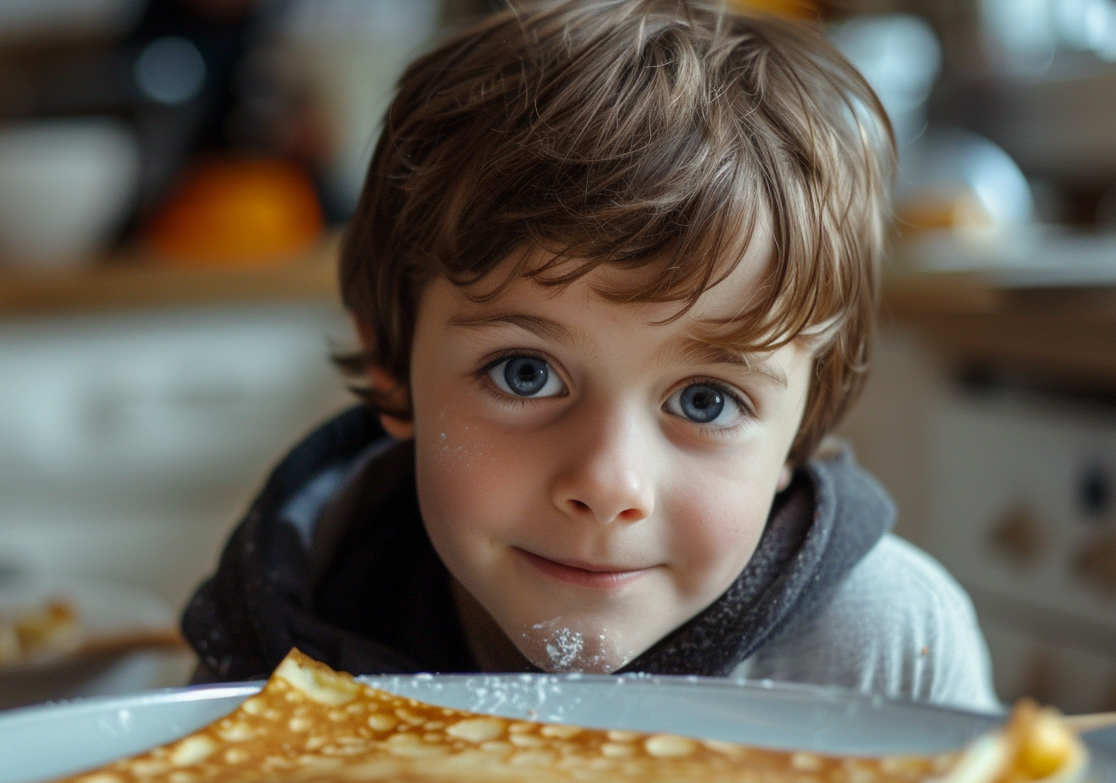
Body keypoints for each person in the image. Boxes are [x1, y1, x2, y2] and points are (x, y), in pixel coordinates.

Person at [181, 0, 1000, 712]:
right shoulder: (279, 627)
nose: (610, 486)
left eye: (707, 400)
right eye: (525, 374)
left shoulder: (881, 651)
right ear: (393, 362)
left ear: (801, 425)